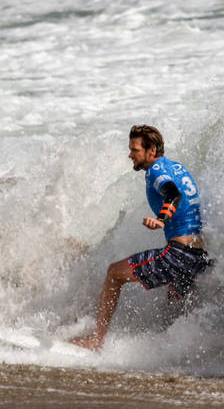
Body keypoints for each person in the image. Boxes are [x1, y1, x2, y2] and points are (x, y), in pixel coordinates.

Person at [71, 125, 211, 351]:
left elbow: (173, 194)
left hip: (179, 253)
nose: (130, 155)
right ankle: (178, 350)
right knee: (175, 302)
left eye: (135, 150)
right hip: (197, 254)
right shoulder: (176, 167)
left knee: (114, 274)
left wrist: (162, 219)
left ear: (152, 151)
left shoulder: (156, 171)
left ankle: (97, 339)